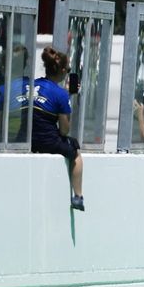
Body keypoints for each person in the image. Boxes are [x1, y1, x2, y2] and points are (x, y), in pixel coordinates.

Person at [31, 47, 85, 210]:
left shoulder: (33, 85)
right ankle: (78, 196)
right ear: (62, 71)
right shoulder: (61, 94)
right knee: (75, 152)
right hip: (47, 141)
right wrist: (67, 98)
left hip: (27, 139)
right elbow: (64, 131)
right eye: (68, 70)